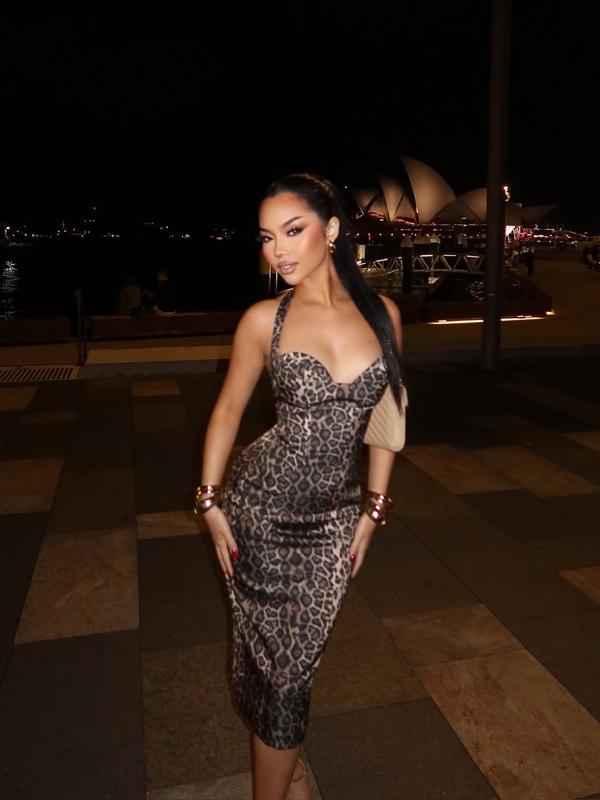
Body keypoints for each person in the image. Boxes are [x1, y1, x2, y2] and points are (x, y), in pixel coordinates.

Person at [196, 173, 403, 800]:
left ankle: (290, 777)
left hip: (334, 520)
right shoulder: (264, 320)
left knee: (293, 665)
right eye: (266, 237)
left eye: (292, 231)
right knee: (283, 674)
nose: (277, 250)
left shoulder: (383, 315)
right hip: (261, 513)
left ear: (332, 229)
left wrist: (374, 509)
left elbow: (389, 413)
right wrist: (209, 502)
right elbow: (228, 411)